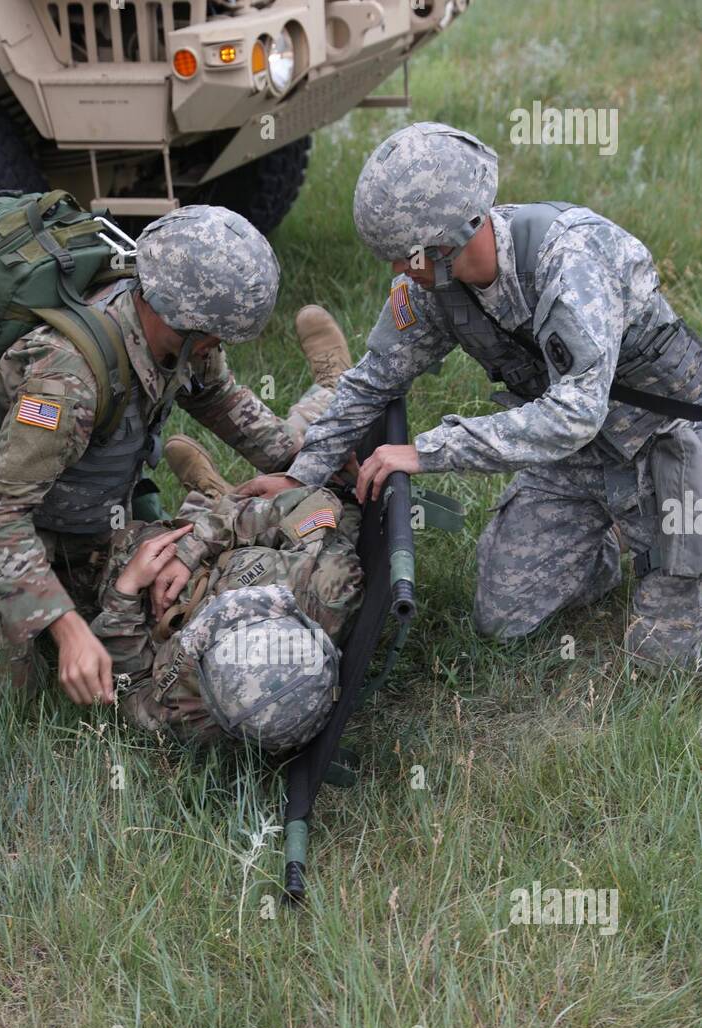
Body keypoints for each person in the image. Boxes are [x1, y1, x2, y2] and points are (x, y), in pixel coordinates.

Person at [240, 122, 702, 670]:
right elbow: (373, 380)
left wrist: (429, 452)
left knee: (662, 662)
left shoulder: (571, 261)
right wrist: (302, 475)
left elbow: (576, 412)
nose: (396, 271)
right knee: (502, 618)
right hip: (575, 461)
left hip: (664, 448)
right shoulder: (433, 286)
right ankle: (600, 552)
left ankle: (661, 540)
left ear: (452, 234)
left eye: (406, 254)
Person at [0, 205, 351, 702]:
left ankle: (332, 397)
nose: (217, 346)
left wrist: (310, 463)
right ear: (186, 321)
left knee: (178, 590)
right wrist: (67, 628)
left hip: (82, 505)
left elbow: (223, 403)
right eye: (214, 336)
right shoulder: (68, 380)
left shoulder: (182, 334)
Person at [88, 475, 364, 747]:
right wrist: (191, 550)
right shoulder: (326, 583)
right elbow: (315, 502)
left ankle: (192, 503)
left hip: (129, 597)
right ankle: (212, 500)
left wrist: (125, 591)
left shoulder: (184, 716)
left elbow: (128, 688)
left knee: (111, 543)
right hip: (199, 551)